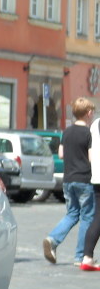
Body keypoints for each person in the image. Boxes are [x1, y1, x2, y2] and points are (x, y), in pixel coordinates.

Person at [44, 98, 95, 265]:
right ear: (88, 113)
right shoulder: (88, 133)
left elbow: (60, 154)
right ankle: (80, 256)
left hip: (68, 179)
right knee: (87, 216)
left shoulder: (66, 132)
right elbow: (91, 157)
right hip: (84, 179)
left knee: (72, 213)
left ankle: (52, 239)